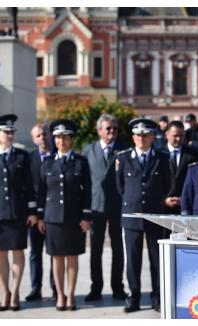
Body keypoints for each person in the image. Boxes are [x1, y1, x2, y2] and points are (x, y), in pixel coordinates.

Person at [116, 118, 171, 313]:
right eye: (138, 135)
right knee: (132, 259)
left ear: (152, 137)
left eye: (146, 135)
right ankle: (134, 296)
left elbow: (167, 185)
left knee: (156, 259)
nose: (142, 138)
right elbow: (120, 187)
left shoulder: (162, 158)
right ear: (133, 137)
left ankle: (157, 296)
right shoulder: (122, 158)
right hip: (131, 215)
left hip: (155, 215)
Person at [37, 119, 92, 311]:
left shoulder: (81, 162)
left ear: (71, 139)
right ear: (54, 140)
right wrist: (40, 216)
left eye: (65, 137)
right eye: (58, 138)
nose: (61, 141)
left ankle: (70, 295)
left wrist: (86, 217)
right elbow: (41, 192)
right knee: (56, 258)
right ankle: (60, 295)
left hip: (74, 218)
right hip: (52, 219)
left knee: (72, 258)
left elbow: (87, 191)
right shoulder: (47, 163)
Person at [81, 114, 127, 302]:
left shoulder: (124, 150)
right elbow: (83, 181)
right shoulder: (88, 150)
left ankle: (118, 287)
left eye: (115, 128)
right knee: (96, 250)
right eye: (108, 128)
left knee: (118, 249)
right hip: (96, 207)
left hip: (117, 207)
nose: (112, 132)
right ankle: (96, 288)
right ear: (99, 130)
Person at [0, 114, 37, 311]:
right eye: (6, 132)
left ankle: (15, 293)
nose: (10, 135)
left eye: (12, 132)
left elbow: (29, 187)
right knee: (1, 255)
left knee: (18, 252)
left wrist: (32, 211)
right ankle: (4, 291)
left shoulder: (22, 157)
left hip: (17, 213)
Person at [26, 124, 56, 302]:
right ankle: (35, 288)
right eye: (38, 135)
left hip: (54, 214)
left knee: (54, 252)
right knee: (35, 253)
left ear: (50, 135)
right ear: (33, 139)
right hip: (35, 215)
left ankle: (55, 288)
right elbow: (27, 189)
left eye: (45, 134)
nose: (42, 138)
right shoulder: (29, 159)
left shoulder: (58, 156)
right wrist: (33, 214)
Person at [162, 120, 198, 215]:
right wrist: (164, 199)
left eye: (181, 136)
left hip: (185, 207)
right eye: (175, 136)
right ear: (167, 134)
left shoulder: (193, 154)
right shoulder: (159, 153)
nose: (179, 139)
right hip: (162, 207)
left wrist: (184, 199)